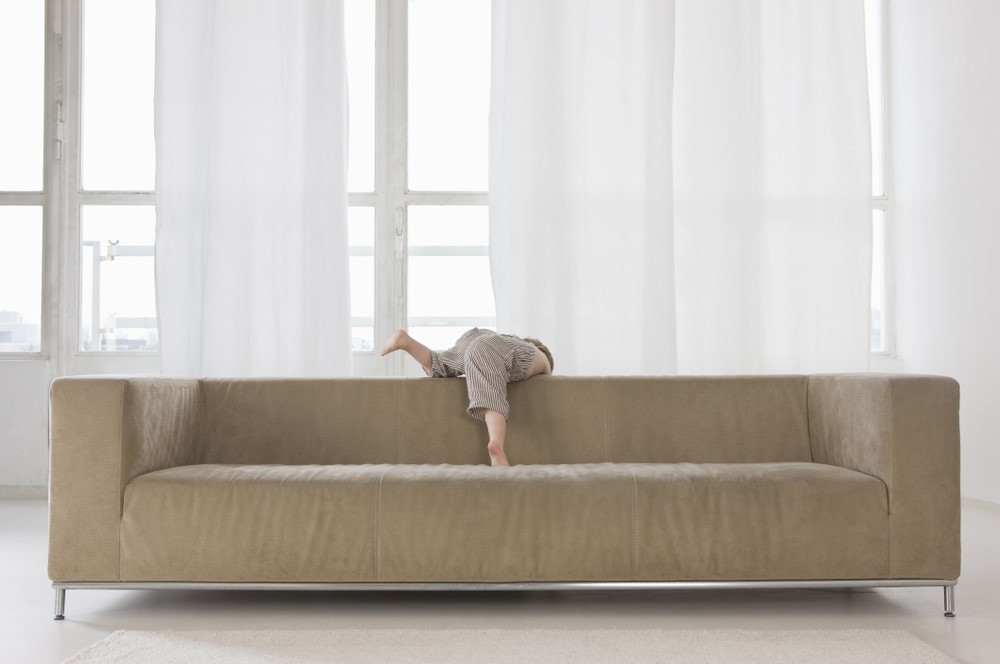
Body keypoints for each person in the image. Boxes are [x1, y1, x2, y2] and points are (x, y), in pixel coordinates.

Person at [381, 328, 554, 467]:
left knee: (440, 365)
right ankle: (497, 445)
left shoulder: (501, 341)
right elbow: (546, 374)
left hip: (473, 337)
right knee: (491, 390)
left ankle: (404, 340)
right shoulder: (537, 354)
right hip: (492, 345)